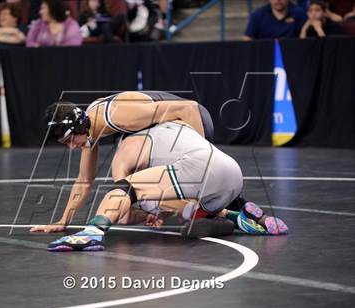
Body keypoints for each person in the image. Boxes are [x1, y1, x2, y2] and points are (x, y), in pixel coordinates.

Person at [44, 115, 288, 251]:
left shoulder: (126, 147)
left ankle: (91, 234)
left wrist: (142, 213)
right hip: (232, 174)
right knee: (183, 207)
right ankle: (244, 216)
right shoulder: (173, 124)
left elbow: (122, 204)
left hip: (200, 168)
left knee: (127, 190)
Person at [30, 91, 214, 234]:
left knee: (122, 168)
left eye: (70, 140)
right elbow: (84, 181)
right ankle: (185, 207)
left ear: (78, 126)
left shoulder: (119, 114)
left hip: (193, 119)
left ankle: (205, 203)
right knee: (124, 212)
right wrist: (63, 221)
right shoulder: (89, 126)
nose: (71, 148)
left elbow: (188, 108)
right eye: (65, 144)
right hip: (166, 130)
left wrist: (204, 157)